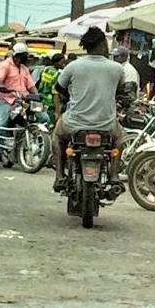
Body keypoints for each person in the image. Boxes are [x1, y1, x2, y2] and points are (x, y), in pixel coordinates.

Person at [52, 28, 132, 189]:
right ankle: (114, 175)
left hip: (74, 124)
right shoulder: (117, 68)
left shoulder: (73, 66)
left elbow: (59, 87)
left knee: (57, 137)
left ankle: (60, 176)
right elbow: (121, 90)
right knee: (119, 140)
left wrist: (72, 95)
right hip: (106, 125)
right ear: (103, 44)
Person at [0, 45, 36, 170]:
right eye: (25, 55)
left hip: (22, 102)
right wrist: (1, 87)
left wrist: (36, 94)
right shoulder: (6, 65)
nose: (26, 58)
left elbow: (31, 85)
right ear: (18, 55)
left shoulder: (24, 69)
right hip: (7, 101)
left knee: (42, 118)